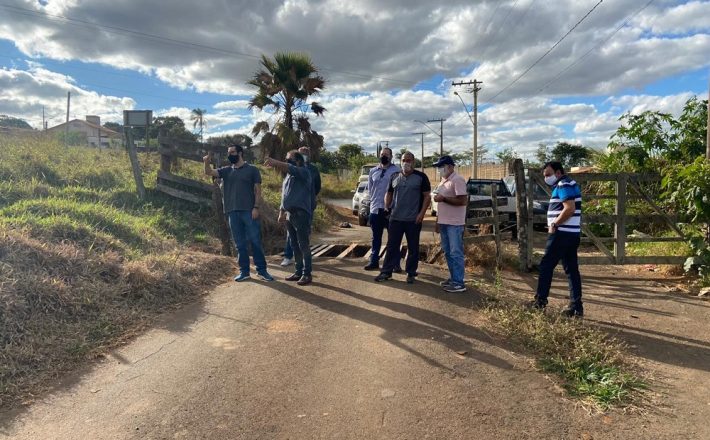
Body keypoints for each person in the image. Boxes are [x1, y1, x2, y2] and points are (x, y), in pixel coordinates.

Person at [203, 144, 274, 282]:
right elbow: (209, 172)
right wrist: (206, 162)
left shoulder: (252, 170)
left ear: (240, 153)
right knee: (239, 243)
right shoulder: (226, 170)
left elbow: (258, 190)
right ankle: (244, 271)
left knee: (255, 241)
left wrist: (256, 207)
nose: (230, 155)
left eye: (233, 152)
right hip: (232, 212)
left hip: (249, 211)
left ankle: (262, 271)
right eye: (228, 153)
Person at [531, 161, 584, 317]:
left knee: (546, 266)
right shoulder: (570, 183)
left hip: (561, 233)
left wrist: (555, 223)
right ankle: (576, 307)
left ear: (559, 173)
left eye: (548, 174)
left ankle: (540, 302)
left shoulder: (563, 185)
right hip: (572, 234)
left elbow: (569, 208)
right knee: (571, 270)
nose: (546, 178)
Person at [375, 151, 431, 284]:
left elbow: (427, 196)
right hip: (395, 219)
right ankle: (386, 272)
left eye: (409, 160)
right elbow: (389, 193)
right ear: (401, 162)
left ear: (413, 162)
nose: (406, 162)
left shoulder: (421, 177)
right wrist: (386, 206)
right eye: (404, 160)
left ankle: (411, 273)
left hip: (413, 220)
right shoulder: (394, 176)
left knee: (413, 248)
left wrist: (421, 214)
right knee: (392, 246)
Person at [265, 150, 314, 286]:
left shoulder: (304, 172)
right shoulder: (287, 177)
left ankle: (307, 273)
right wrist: (281, 212)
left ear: (298, 161)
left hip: (301, 214)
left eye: (289, 159)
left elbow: (290, 167)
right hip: (289, 215)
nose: (286, 161)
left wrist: (275, 162)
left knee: (303, 244)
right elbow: (284, 196)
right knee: (294, 245)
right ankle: (298, 271)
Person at [432, 155, 468, 293]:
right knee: (448, 252)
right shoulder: (443, 181)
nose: (439, 170)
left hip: (454, 223)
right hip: (444, 222)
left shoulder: (457, 180)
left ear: (450, 166)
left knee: (455, 252)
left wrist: (443, 199)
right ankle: (454, 278)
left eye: (441, 167)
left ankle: (459, 282)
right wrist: (437, 221)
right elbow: (441, 203)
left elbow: (462, 201)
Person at [281, 146, 321, 266]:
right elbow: (285, 191)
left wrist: (307, 198)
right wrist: (281, 210)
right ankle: (289, 257)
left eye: (305, 153)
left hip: (305, 207)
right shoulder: (289, 172)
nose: (303, 155)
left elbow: (317, 187)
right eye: (301, 153)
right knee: (291, 236)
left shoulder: (311, 169)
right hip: (290, 209)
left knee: (303, 236)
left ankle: (305, 267)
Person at [364, 147, 401, 271]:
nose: (383, 156)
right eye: (381, 154)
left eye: (386, 154)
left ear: (391, 156)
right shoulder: (373, 171)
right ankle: (374, 261)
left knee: (393, 238)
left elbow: (399, 190)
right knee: (376, 238)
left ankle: (395, 264)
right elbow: (370, 189)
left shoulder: (397, 171)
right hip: (375, 209)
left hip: (390, 210)